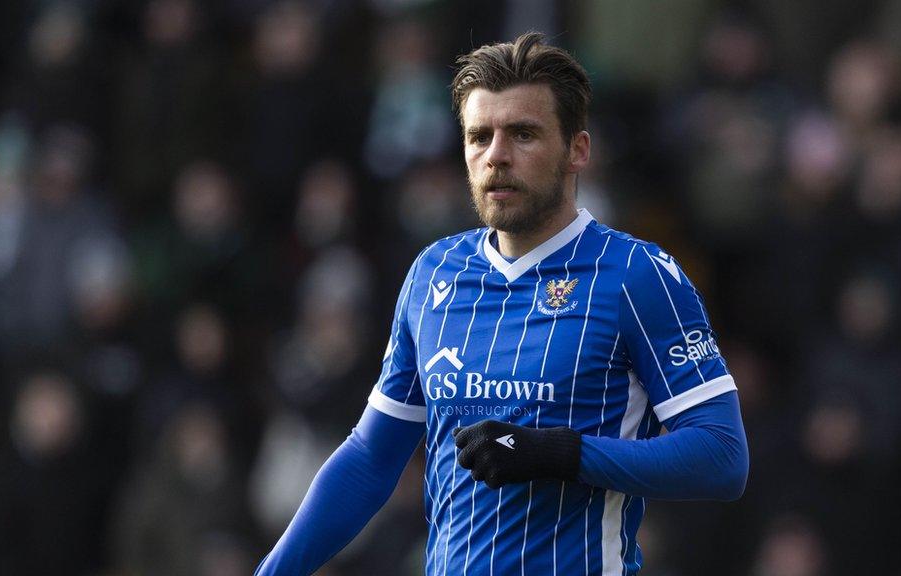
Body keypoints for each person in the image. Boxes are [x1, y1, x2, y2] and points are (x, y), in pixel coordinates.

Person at [255, 32, 749, 576]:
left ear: (577, 150)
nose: (497, 156)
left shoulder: (636, 276)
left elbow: (721, 456)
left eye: (523, 134)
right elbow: (371, 459)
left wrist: (563, 453)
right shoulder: (433, 273)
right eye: (479, 136)